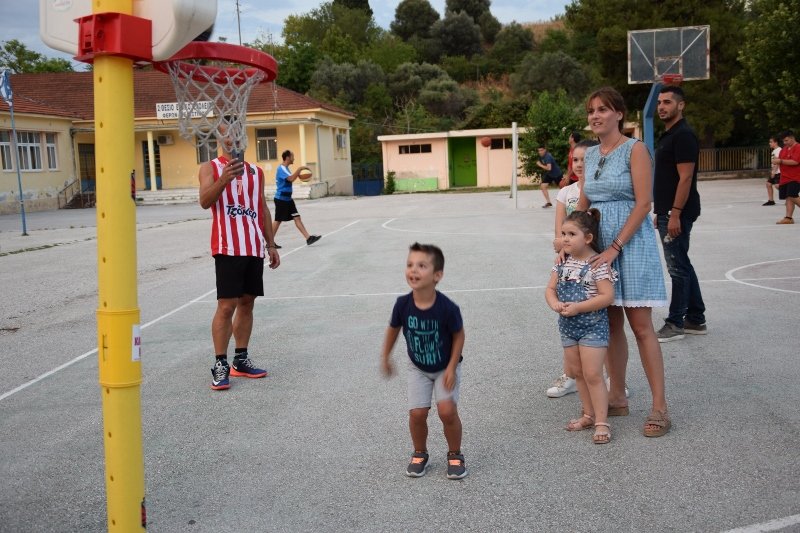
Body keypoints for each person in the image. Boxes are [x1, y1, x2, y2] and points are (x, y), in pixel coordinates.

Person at [577, 86, 671, 438]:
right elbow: (583, 207)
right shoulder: (589, 156)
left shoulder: (636, 149)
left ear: (619, 114)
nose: (596, 116)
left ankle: (660, 407)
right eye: (591, 110)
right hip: (600, 245)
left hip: (630, 245)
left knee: (641, 325)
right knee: (611, 324)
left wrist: (615, 246)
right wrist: (570, 241)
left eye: (603, 109)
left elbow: (644, 203)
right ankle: (616, 396)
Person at [198, 127, 281, 391]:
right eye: (228, 135)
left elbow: (263, 208)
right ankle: (220, 363)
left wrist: (271, 244)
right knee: (226, 306)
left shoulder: (257, 172)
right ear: (220, 139)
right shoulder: (209, 167)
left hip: (253, 247)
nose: (234, 139)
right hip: (227, 247)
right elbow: (204, 201)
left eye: (238, 134)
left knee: (247, 303)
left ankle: (240, 360)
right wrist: (223, 179)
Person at [381, 243, 467, 479]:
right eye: (410, 265)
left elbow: (459, 336)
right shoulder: (402, 304)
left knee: (447, 411)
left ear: (437, 275)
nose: (413, 270)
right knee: (417, 413)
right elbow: (393, 329)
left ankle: (455, 454)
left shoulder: (448, 308)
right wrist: (386, 356)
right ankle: (420, 452)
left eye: (421, 265)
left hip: (445, 366)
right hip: (418, 367)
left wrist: (451, 368)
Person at [546, 209, 616, 443]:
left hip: (592, 327)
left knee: (593, 374)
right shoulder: (561, 263)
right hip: (568, 327)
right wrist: (554, 303)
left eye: (571, 234)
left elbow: (607, 296)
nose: (564, 239)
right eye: (563, 233)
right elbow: (550, 289)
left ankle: (602, 422)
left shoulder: (598, 264)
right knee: (577, 374)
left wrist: (579, 307)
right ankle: (587, 414)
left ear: (587, 238)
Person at [652, 85, 707, 342]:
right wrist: (661, 211)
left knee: (677, 267)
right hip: (668, 211)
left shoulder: (683, 135)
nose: (662, 106)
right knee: (681, 262)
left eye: (667, 102)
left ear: (681, 105)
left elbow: (685, 179)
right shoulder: (670, 135)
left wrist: (674, 213)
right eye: (660, 102)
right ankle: (696, 318)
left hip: (679, 212)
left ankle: (676, 323)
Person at [548, 139, 598, 398]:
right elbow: (558, 236)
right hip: (569, 265)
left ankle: (609, 378)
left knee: (599, 321)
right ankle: (570, 375)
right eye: (575, 159)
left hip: (595, 262)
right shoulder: (565, 193)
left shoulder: (599, 189)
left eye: (585, 159)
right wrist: (562, 248)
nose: (579, 164)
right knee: (569, 318)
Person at [272, 150, 321, 247]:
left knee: (297, 217)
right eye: (292, 156)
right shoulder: (281, 168)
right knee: (278, 220)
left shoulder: (286, 168)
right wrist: (299, 169)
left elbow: (290, 178)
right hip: (281, 199)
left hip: (288, 199)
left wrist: (298, 173)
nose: (294, 158)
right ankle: (270, 242)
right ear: (287, 158)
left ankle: (308, 238)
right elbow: (290, 179)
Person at [773, 130, 800, 224]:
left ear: (792, 138)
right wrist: (775, 166)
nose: (785, 143)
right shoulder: (784, 149)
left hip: (796, 177)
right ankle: (788, 218)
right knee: (788, 197)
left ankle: (788, 218)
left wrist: (780, 161)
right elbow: (779, 160)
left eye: (786, 140)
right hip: (784, 177)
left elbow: (795, 162)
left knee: (792, 195)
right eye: (784, 141)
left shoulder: (798, 147)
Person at [763, 136, 782, 206]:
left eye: (771, 142)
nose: (769, 143)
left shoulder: (779, 150)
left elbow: (777, 162)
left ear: (776, 142)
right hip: (775, 170)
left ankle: (790, 197)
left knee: (777, 186)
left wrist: (774, 172)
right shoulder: (774, 151)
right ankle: (771, 200)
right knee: (768, 184)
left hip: (779, 171)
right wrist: (772, 171)